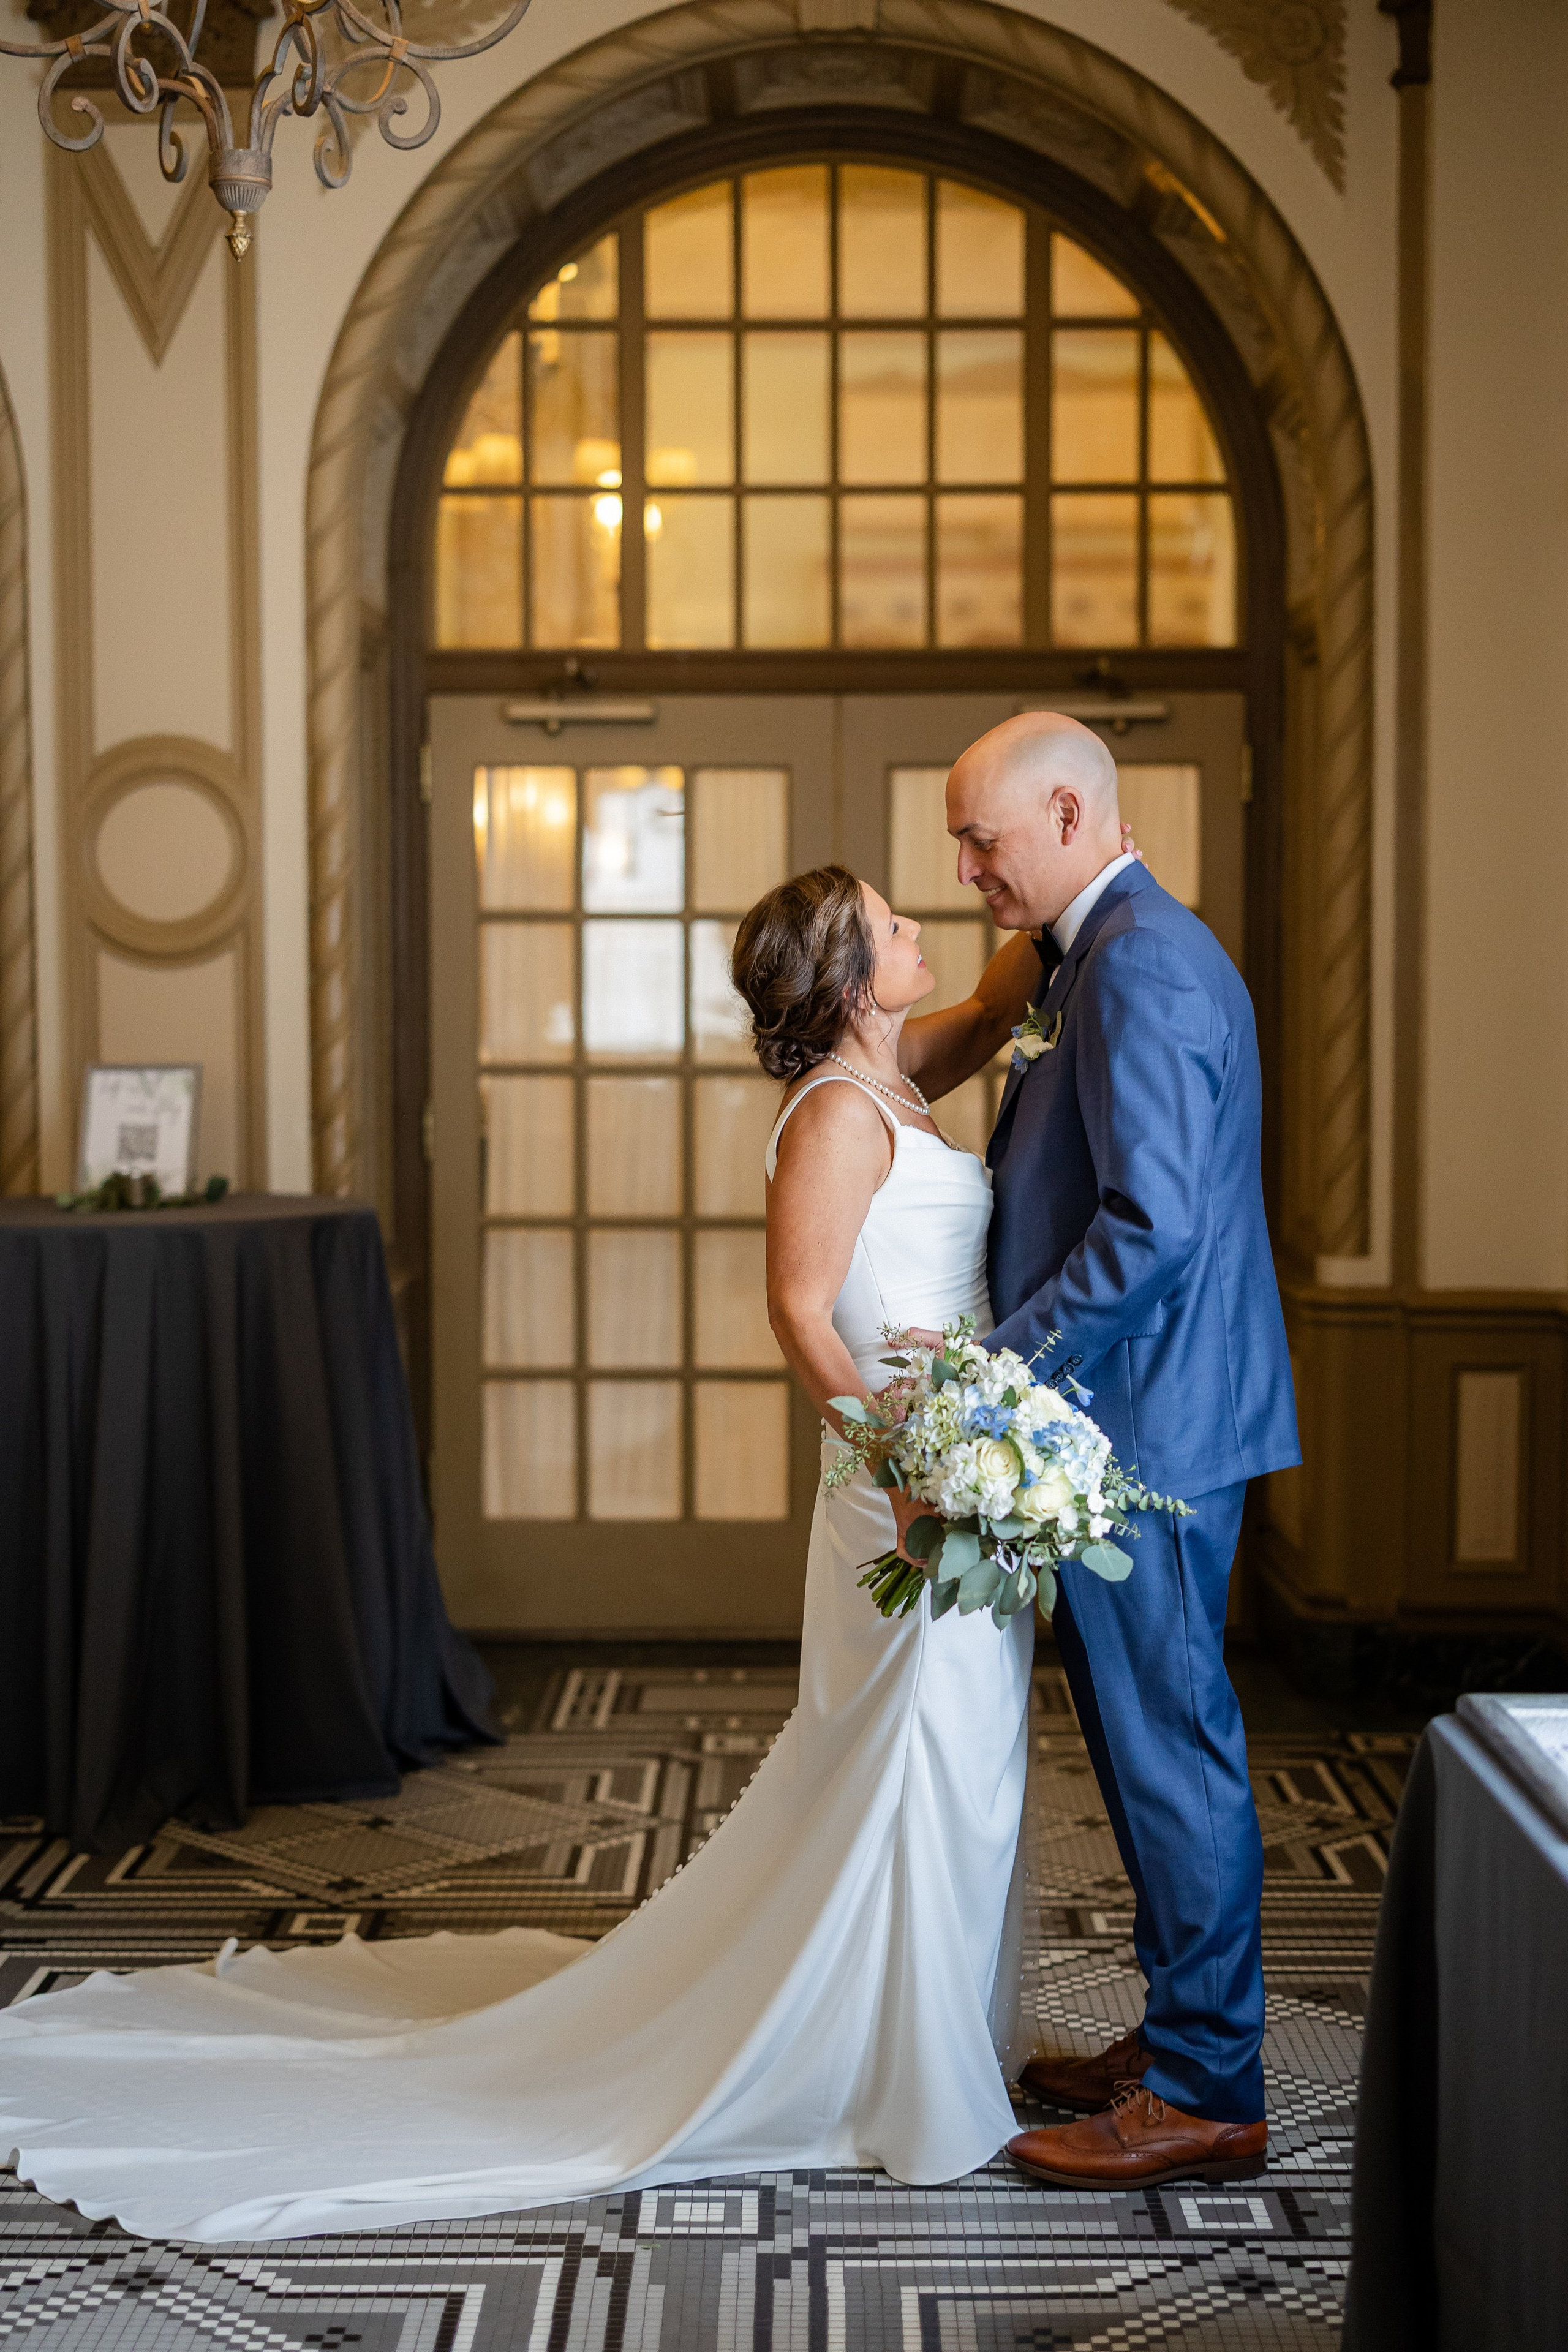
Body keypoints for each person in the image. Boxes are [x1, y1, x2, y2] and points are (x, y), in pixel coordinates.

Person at [0, 857, 1050, 2243]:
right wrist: (904, 1474)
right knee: (915, 1754)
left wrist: (1059, 887)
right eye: (895, 924)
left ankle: (901, 2035)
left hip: (960, 1460)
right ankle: (885, 2068)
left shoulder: (898, 1065)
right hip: (899, 1482)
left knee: (954, 1758)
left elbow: (988, 1001)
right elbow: (801, 1314)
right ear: (852, 981)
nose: (926, 926)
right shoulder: (839, 1117)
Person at [947, 711, 1299, 2191]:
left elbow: (1149, 1228)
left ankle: (1210, 2082)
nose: (966, 869)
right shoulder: (1096, 955)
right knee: (1147, 1745)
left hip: (1142, 1426)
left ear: (1074, 815)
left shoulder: (1141, 963)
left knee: (1171, 1758)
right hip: (1129, 1423)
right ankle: (1175, 2039)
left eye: (984, 838)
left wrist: (996, 1377)